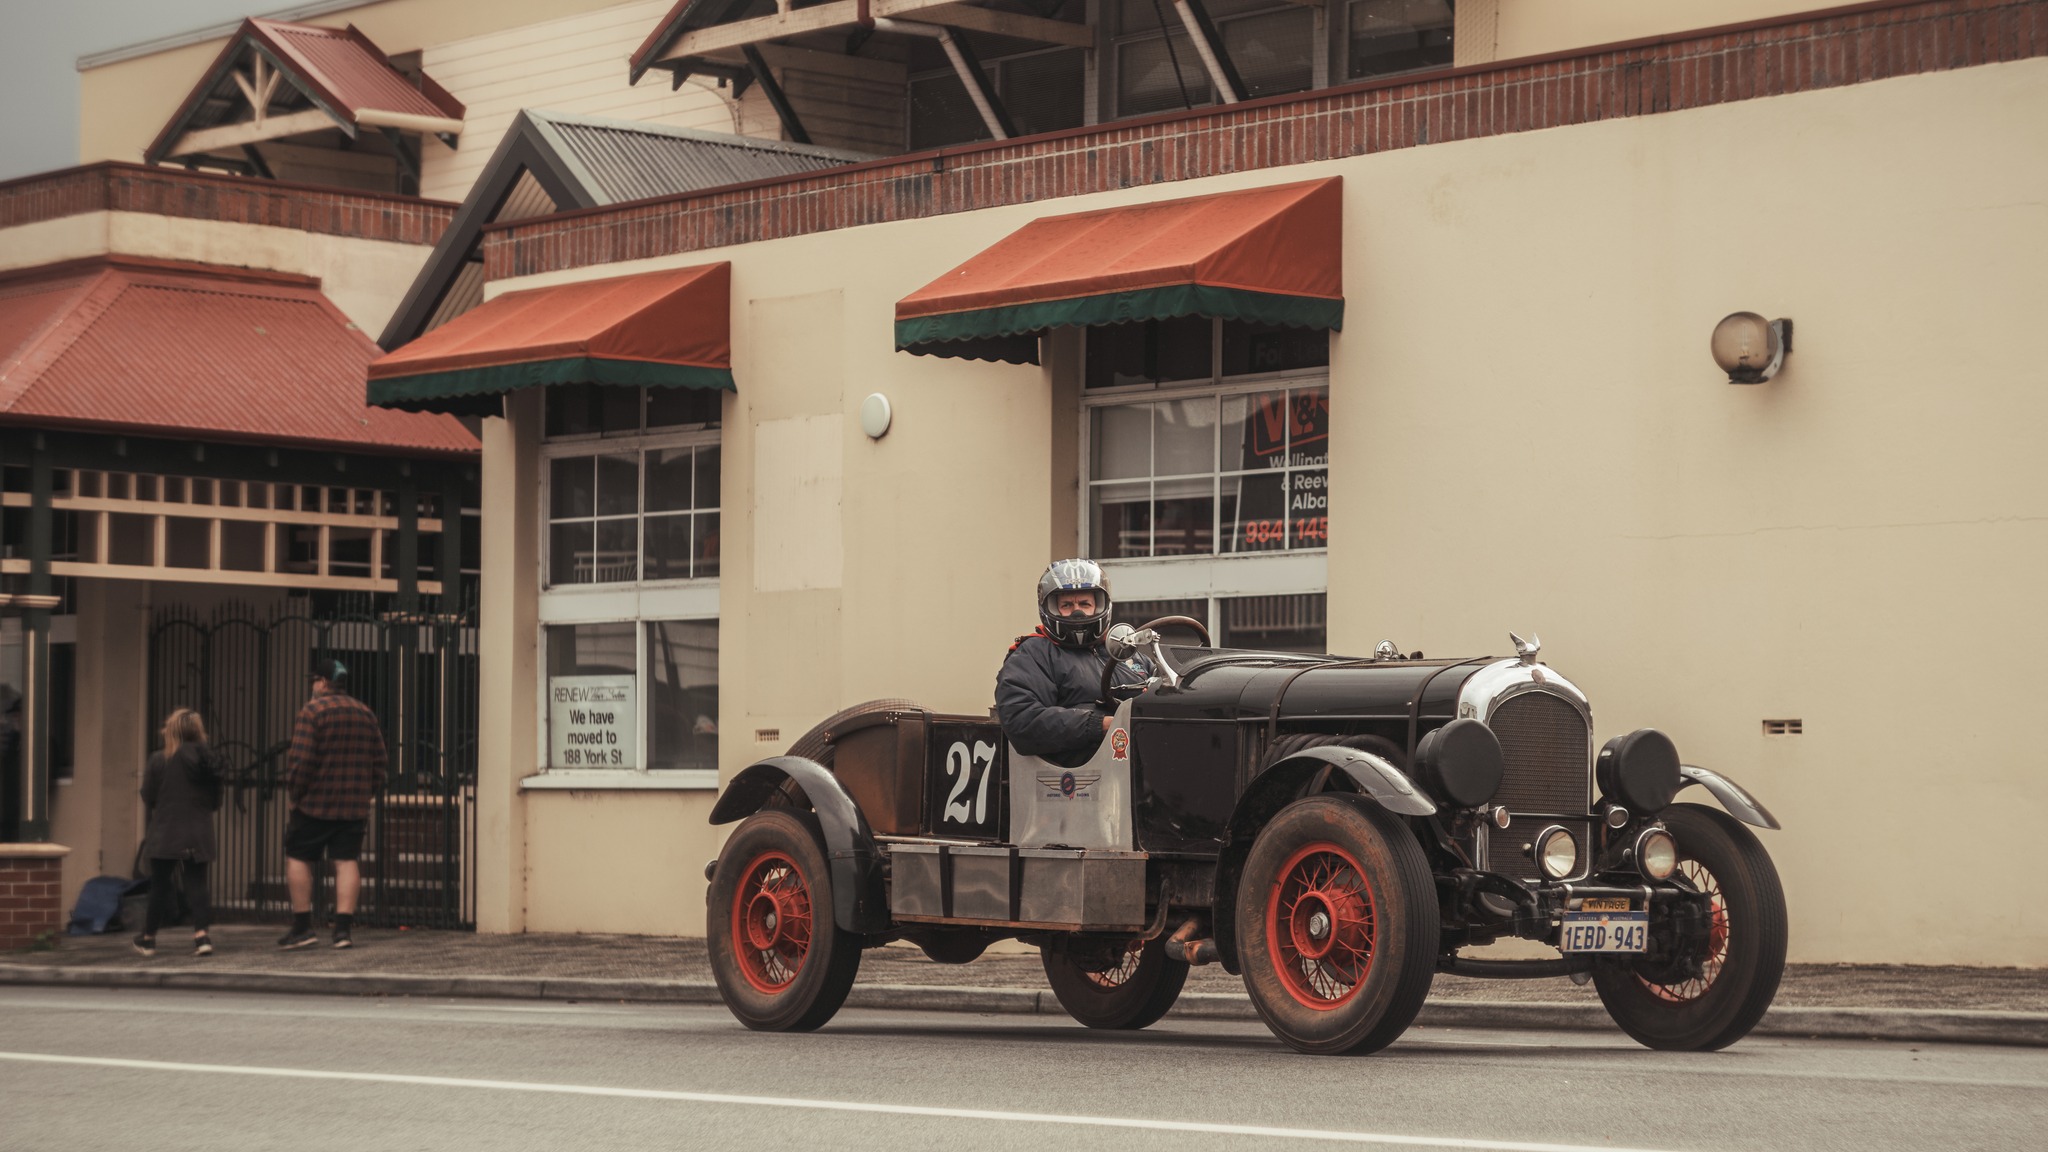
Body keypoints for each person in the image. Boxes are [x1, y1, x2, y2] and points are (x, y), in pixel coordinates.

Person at [995, 559, 1151, 769]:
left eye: (1085, 604)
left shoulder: (1125, 652)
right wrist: (1100, 725)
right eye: (1067, 605)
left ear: (1100, 605)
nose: (1077, 612)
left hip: (1144, 763)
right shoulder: (1033, 654)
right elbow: (1021, 719)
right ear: (1050, 609)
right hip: (1079, 777)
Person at [281, 658, 387, 950]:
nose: (313, 686)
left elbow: (301, 761)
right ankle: (342, 931)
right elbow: (380, 763)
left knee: (298, 857)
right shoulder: (365, 713)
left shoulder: (312, 712)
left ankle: (302, 927)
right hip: (353, 807)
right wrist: (365, 792)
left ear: (324, 682)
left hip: (314, 804)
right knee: (346, 861)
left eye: (315, 680)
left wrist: (296, 795)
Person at [133, 708, 222, 958]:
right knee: (197, 884)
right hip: (198, 831)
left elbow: (148, 796)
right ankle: (202, 936)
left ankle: (148, 938)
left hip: (166, 830)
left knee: (160, 886)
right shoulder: (208, 762)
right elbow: (216, 802)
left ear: (170, 730)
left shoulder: (159, 760)